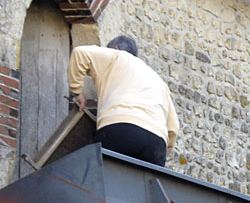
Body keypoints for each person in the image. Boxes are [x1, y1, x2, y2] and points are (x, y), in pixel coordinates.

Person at [67, 35, 180, 167]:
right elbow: (173, 127)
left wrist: (77, 91)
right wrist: (162, 150)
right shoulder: (160, 83)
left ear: (115, 48)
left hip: (122, 129)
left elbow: (79, 52)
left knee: (89, 176)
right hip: (157, 143)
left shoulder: (116, 56)